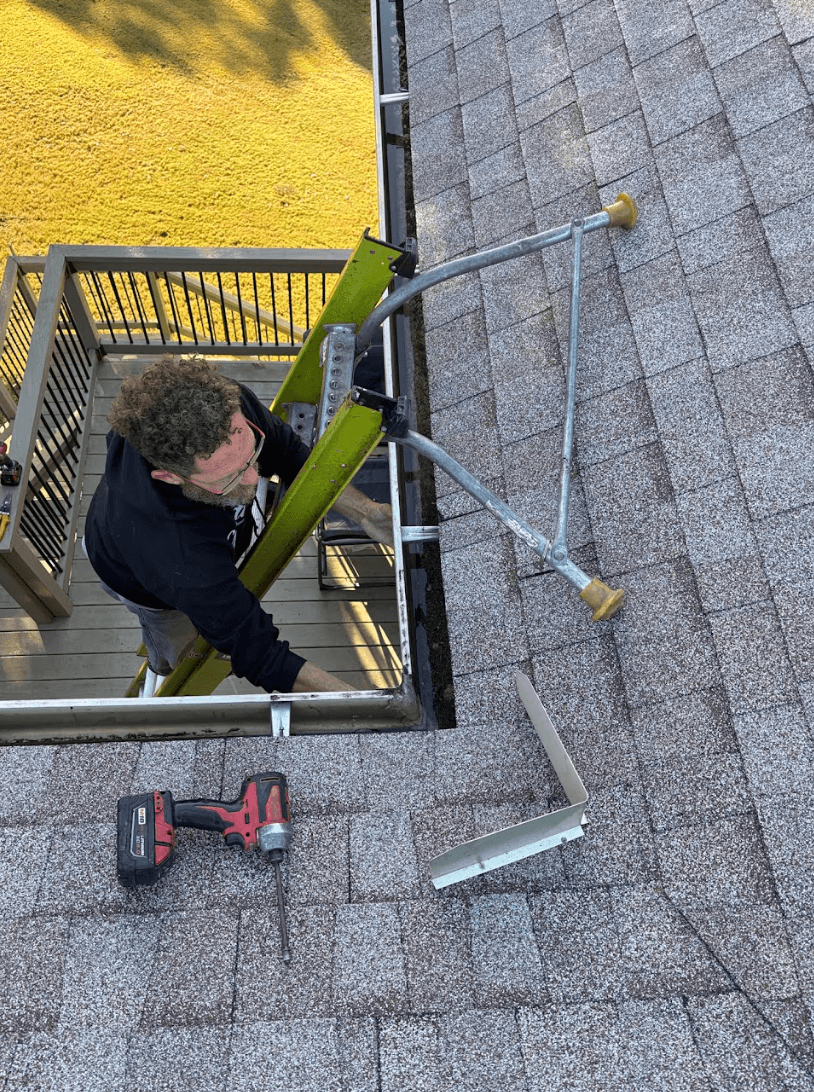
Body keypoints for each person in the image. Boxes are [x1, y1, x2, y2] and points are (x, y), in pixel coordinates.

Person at [83, 355, 393, 694]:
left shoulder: (226, 406)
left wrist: (365, 512)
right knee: (178, 642)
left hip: (192, 557)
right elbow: (261, 655)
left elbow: (289, 453)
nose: (255, 476)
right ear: (170, 476)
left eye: (252, 453)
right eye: (230, 477)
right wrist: (361, 702)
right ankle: (162, 664)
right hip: (139, 580)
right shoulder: (176, 555)